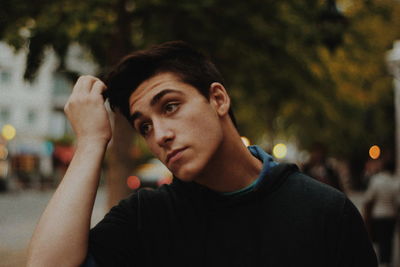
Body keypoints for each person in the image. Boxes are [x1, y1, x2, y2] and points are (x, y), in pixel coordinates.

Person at [27, 41, 377, 267]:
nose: (160, 134)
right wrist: (90, 142)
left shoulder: (325, 212)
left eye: (171, 106)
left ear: (218, 99)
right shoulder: (146, 218)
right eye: (144, 126)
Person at [363, 159, 399, 266]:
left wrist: (366, 216)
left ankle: (382, 262)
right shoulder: (396, 182)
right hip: (391, 215)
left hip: (378, 215)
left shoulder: (376, 180)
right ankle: (387, 261)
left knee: (380, 241)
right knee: (389, 240)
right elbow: (397, 202)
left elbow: (368, 199)